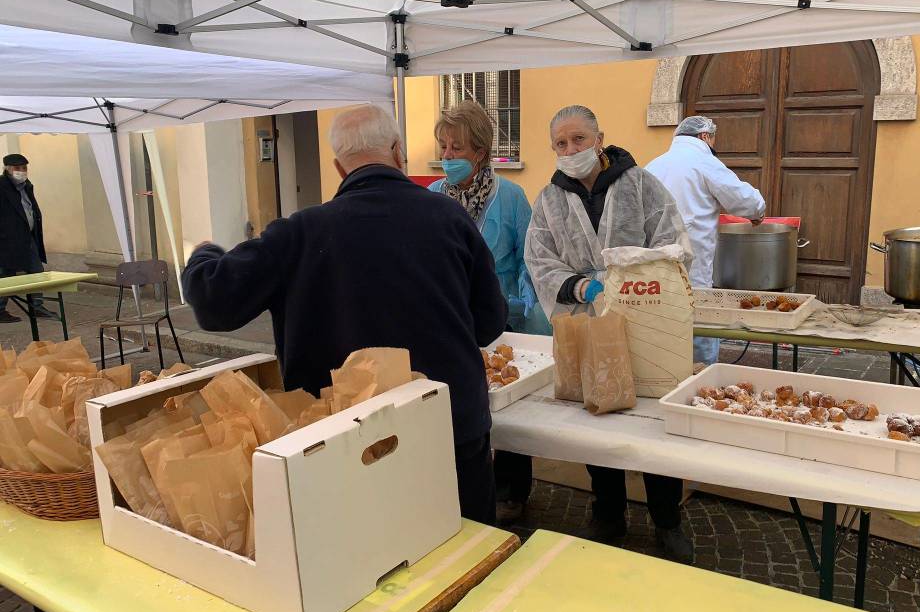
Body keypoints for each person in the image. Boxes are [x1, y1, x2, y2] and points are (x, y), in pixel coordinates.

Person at [181, 105, 508, 524]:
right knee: (472, 549)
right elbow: (489, 323)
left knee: (371, 557)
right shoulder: (450, 217)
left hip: (347, 444)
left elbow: (212, 301)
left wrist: (203, 253)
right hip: (448, 429)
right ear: (398, 152)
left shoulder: (300, 232)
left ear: (339, 168)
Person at [525, 104, 696, 563]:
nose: (570, 150)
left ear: (600, 139)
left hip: (647, 319)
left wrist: (629, 277)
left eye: (579, 139)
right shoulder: (549, 199)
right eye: (560, 143)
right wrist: (579, 285)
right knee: (598, 412)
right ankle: (608, 512)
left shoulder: (641, 185)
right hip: (588, 321)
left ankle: (667, 520)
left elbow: (674, 244)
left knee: (654, 419)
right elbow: (538, 257)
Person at [429, 101, 549, 526]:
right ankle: (456, 484)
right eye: (443, 147)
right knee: (460, 405)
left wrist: (524, 303)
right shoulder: (432, 197)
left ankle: (512, 490)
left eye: (457, 148)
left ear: (480, 151)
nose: (447, 156)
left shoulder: (511, 198)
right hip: (451, 322)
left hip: (503, 320)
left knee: (509, 407)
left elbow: (530, 258)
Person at [646, 115, 765, 366]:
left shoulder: (653, 165)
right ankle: (700, 378)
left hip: (653, 263)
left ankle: (666, 374)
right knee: (698, 321)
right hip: (692, 262)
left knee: (662, 322)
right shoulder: (704, 161)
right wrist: (757, 212)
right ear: (704, 136)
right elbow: (743, 199)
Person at [0, 153, 59, 323]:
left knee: (36, 270)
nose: (22, 171)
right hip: (7, 240)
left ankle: (37, 306)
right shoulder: (2, 186)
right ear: (8, 169)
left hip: (27, 237)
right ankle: (0, 309)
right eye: (17, 168)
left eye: (24, 168)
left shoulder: (26, 185)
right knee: (6, 274)